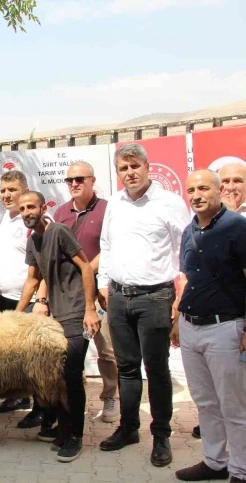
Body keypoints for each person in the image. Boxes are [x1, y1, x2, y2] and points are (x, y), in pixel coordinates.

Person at [98, 143, 191, 467]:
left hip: (156, 298)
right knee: (126, 368)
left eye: (134, 166)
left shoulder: (169, 202)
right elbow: (106, 244)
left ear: (148, 167)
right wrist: (104, 284)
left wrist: (180, 297)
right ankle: (129, 428)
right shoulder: (116, 204)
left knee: (156, 369)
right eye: (123, 169)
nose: (130, 173)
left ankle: (162, 434)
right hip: (120, 298)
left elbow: (186, 250)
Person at [171, 169, 246, 483]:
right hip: (191, 326)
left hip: (226, 327)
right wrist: (176, 319)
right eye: (191, 190)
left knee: (234, 405)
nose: (196, 195)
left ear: (218, 190)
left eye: (203, 188)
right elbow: (186, 278)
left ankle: (241, 470)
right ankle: (215, 462)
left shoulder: (237, 227)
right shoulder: (190, 230)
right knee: (204, 401)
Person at [15, 191, 100, 463]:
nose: (27, 212)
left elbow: (86, 267)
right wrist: (14, 316)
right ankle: (63, 429)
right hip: (56, 316)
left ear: (43, 208)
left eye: (32, 207)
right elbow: (31, 281)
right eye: (23, 208)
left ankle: (75, 437)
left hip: (77, 311)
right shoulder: (33, 241)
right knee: (58, 376)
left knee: (71, 375)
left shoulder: (60, 231)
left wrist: (90, 309)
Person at [52, 161, 119, 424]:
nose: (74, 184)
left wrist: (89, 270)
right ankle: (68, 401)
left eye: (80, 179)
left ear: (92, 180)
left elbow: (112, 245)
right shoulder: (60, 213)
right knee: (67, 352)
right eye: (69, 180)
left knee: (107, 351)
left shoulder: (107, 209)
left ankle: (110, 397)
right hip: (68, 296)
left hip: (99, 291)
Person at [0, 170, 46, 424]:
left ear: (25, 190)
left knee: (35, 358)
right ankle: (19, 396)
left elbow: (45, 266)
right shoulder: (6, 218)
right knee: (14, 356)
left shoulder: (35, 219)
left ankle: (41, 408)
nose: (6, 195)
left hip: (31, 302)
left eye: (12, 189)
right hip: (7, 298)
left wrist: (39, 301)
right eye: (3, 190)